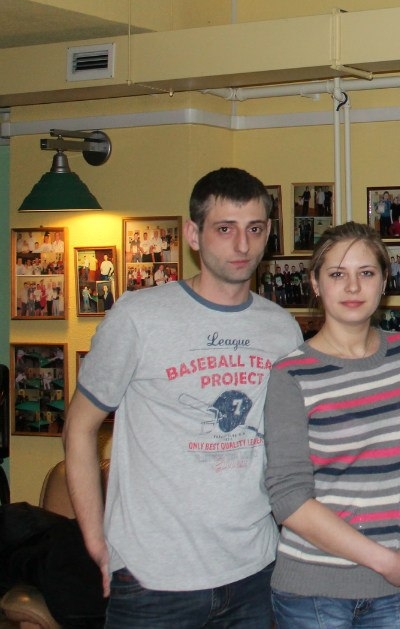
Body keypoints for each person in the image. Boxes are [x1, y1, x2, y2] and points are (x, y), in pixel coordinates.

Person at [64, 167, 305, 629]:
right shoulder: (139, 317)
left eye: (255, 229)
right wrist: (96, 541)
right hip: (154, 581)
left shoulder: (281, 328)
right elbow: (79, 427)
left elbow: (290, 445)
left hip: (255, 571)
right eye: (225, 229)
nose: (242, 245)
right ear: (194, 234)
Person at [264, 222, 400, 628]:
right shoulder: (290, 374)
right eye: (337, 274)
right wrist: (386, 562)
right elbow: (289, 499)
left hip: (397, 584)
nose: (352, 287)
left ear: (384, 282)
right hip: (315, 592)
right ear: (316, 284)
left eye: (366, 273)